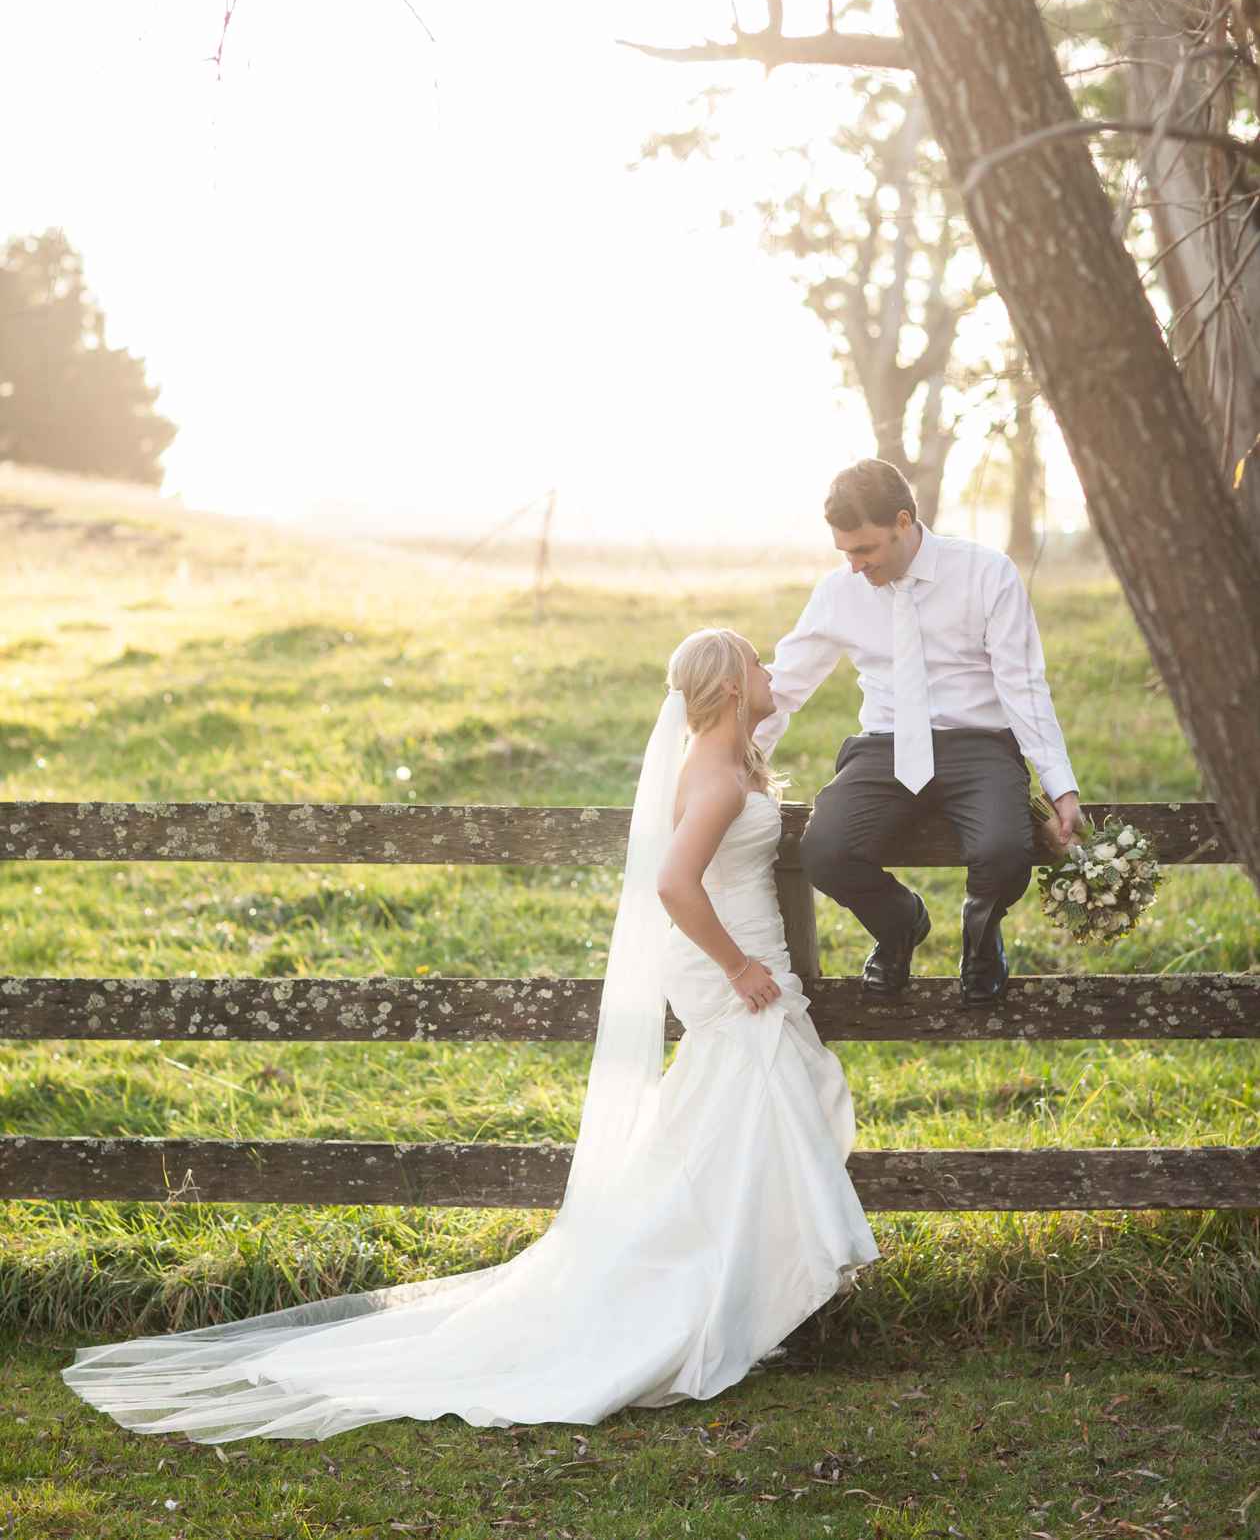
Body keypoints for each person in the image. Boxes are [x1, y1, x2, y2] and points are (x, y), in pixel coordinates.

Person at [60, 628, 879, 1444]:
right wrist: (737, 967)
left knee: (737, 1121)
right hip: (728, 963)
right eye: (758, 664)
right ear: (732, 686)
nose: (774, 673)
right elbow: (673, 882)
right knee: (745, 1108)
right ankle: (694, 1294)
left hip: (743, 956)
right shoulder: (715, 775)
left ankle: (730, 1288)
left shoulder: (727, 757)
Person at [754, 459, 1085, 1005]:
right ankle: (899, 924)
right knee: (824, 850)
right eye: (845, 553)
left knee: (1006, 850)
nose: (856, 566)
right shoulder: (839, 592)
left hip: (977, 744)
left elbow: (1023, 686)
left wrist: (1060, 785)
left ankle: (981, 937)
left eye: (866, 550)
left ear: (904, 522)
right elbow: (782, 688)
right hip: (882, 748)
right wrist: (736, 762)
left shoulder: (986, 573)